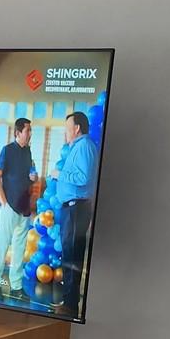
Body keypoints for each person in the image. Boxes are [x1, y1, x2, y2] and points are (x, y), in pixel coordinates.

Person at [40, 110, 100, 303]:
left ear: (77, 128)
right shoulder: (76, 146)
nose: (65, 132)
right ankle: (68, 300)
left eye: (67, 128)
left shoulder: (85, 147)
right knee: (68, 254)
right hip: (71, 208)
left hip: (77, 208)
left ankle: (71, 303)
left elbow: (84, 178)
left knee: (72, 256)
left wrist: (59, 174)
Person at [0, 117, 39, 293]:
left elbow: (28, 178)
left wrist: (34, 178)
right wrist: (3, 202)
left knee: (19, 250)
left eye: (30, 130)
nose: (30, 133)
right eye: (28, 131)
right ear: (18, 133)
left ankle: (16, 285)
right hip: (9, 206)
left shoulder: (28, 153)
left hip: (24, 209)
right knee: (2, 246)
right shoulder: (7, 150)